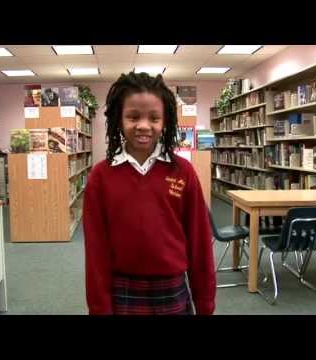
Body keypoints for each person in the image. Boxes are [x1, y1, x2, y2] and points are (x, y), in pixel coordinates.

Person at [83, 72, 216, 315]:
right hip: (122, 289)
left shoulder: (183, 171)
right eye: (133, 116)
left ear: (165, 122)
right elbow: (95, 253)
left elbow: (200, 243)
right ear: (118, 119)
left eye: (154, 118)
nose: (143, 125)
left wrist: (205, 304)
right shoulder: (101, 176)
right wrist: (99, 309)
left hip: (172, 288)